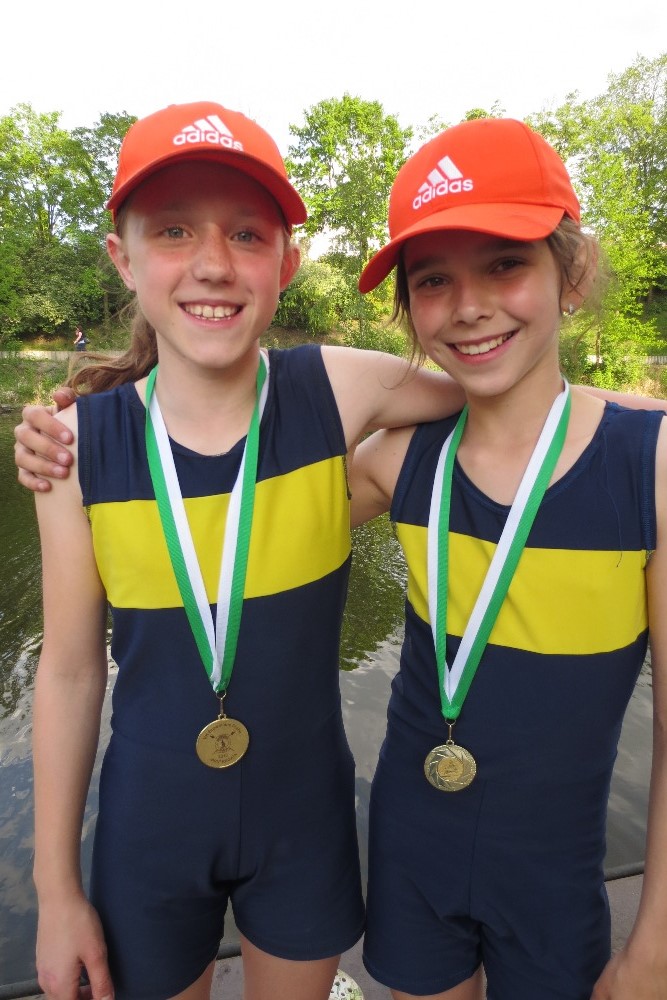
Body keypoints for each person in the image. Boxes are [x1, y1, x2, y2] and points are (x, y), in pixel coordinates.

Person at [26, 100, 472, 1000]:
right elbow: (70, 673)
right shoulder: (77, 448)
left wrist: (630, 422)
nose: (213, 263)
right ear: (122, 257)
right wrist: (55, 890)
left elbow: (503, 392)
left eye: (246, 234)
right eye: (174, 230)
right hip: (149, 833)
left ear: (285, 263)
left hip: (301, 821)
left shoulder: (335, 388)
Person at [349, 117, 667, 1000]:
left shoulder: (648, 469)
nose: (467, 306)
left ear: (572, 273)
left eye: (503, 264)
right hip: (411, 853)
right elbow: (238, 504)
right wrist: (95, 421)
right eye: (432, 279)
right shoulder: (396, 459)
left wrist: (653, 949)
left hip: (553, 874)